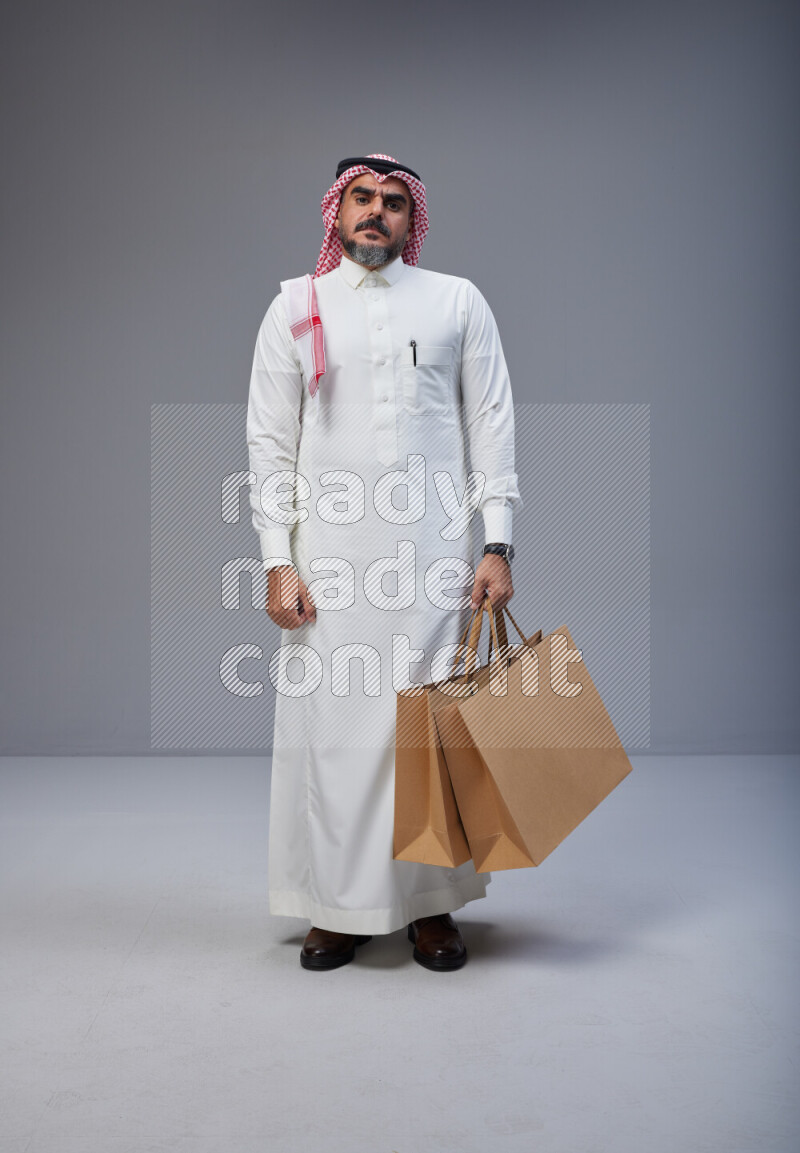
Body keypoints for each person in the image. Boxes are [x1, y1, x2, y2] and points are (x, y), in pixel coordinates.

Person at [246, 153, 522, 971]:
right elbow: (269, 441)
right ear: (336, 212)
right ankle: (337, 906)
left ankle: (431, 908)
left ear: (413, 218)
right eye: (361, 199)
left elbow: (492, 423)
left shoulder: (455, 301)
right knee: (334, 736)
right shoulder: (296, 306)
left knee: (429, 736)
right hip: (329, 562)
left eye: (393, 203)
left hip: (434, 557)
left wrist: (496, 542)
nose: (376, 213)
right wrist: (276, 559)